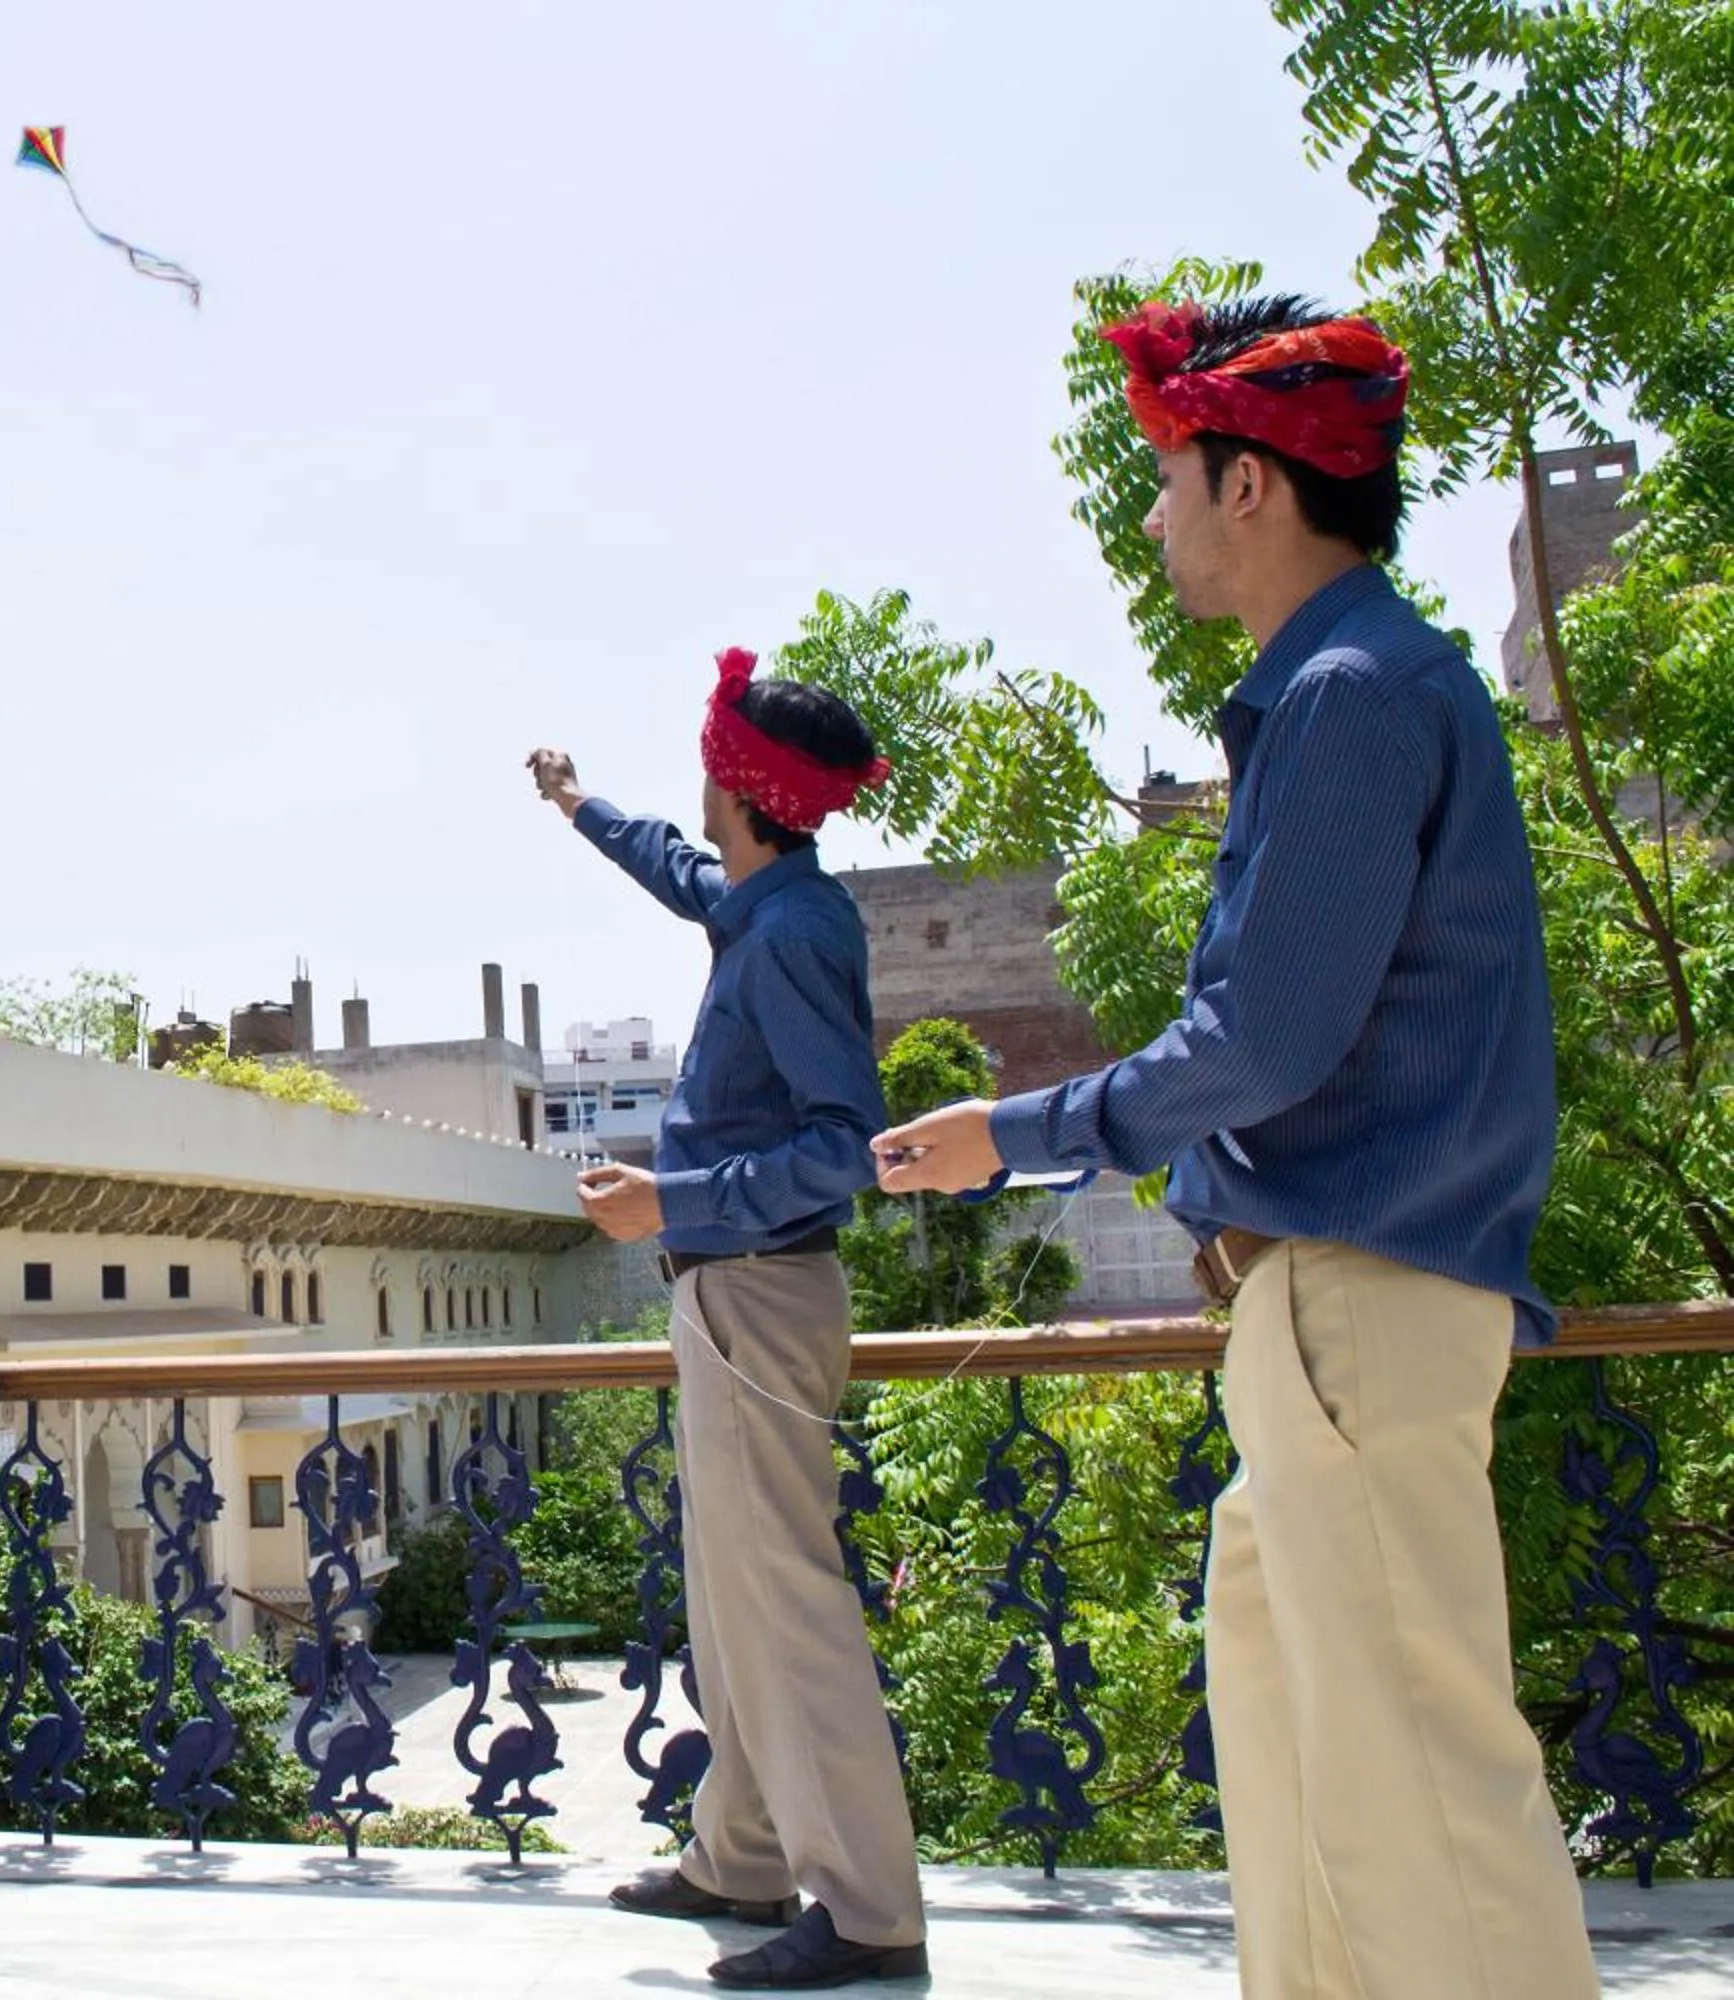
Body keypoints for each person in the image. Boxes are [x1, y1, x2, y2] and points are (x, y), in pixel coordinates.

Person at [874, 295, 1597, 2000]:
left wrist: (1020, 1132)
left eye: (1169, 480)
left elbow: (1268, 1039)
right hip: (1330, 1305)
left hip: (1360, 1291)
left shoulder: (1353, 693)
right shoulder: (1354, 686)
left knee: (1415, 1790)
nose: (1153, 515)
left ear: (1253, 486)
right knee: (1303, 1763)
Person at [530, 649, 927, 1991]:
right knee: (734, 1594)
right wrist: (581, 807)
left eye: (710, 757)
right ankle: (744, 1854)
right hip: (729, 1291)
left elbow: (849, 1147)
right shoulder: (762, 901)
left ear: (742, 785)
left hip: (759, 1287)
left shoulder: (800, 934)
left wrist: (672, 1199)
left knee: (790, 1602)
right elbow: (680, 871)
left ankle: (868, 1905)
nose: (697, 777)